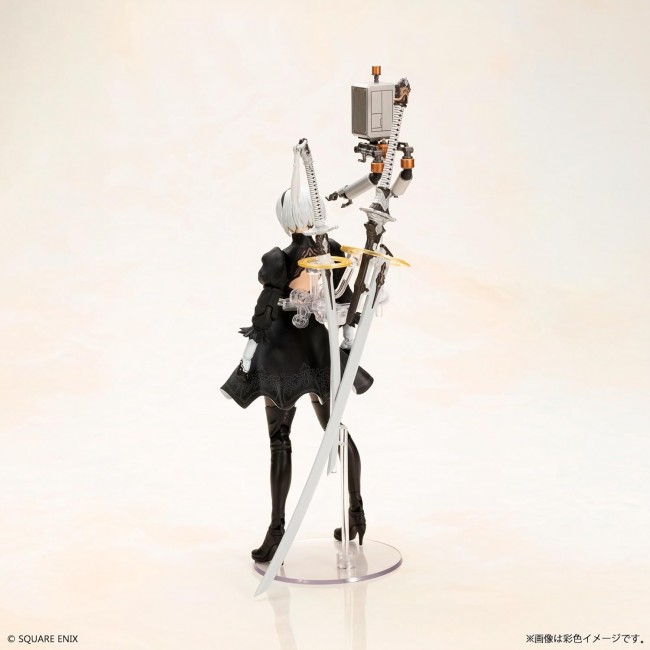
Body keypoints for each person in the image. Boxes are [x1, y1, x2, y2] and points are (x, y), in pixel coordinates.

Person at [221, 147, 372, 562]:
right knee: (330, 431)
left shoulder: (289, 257)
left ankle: (286, 529)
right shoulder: (324, 250)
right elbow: (342, 301)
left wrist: (247, 358)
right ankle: (350, 514)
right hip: (311, 349)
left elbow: (265, 314)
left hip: (291, 352)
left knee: (291, 437)